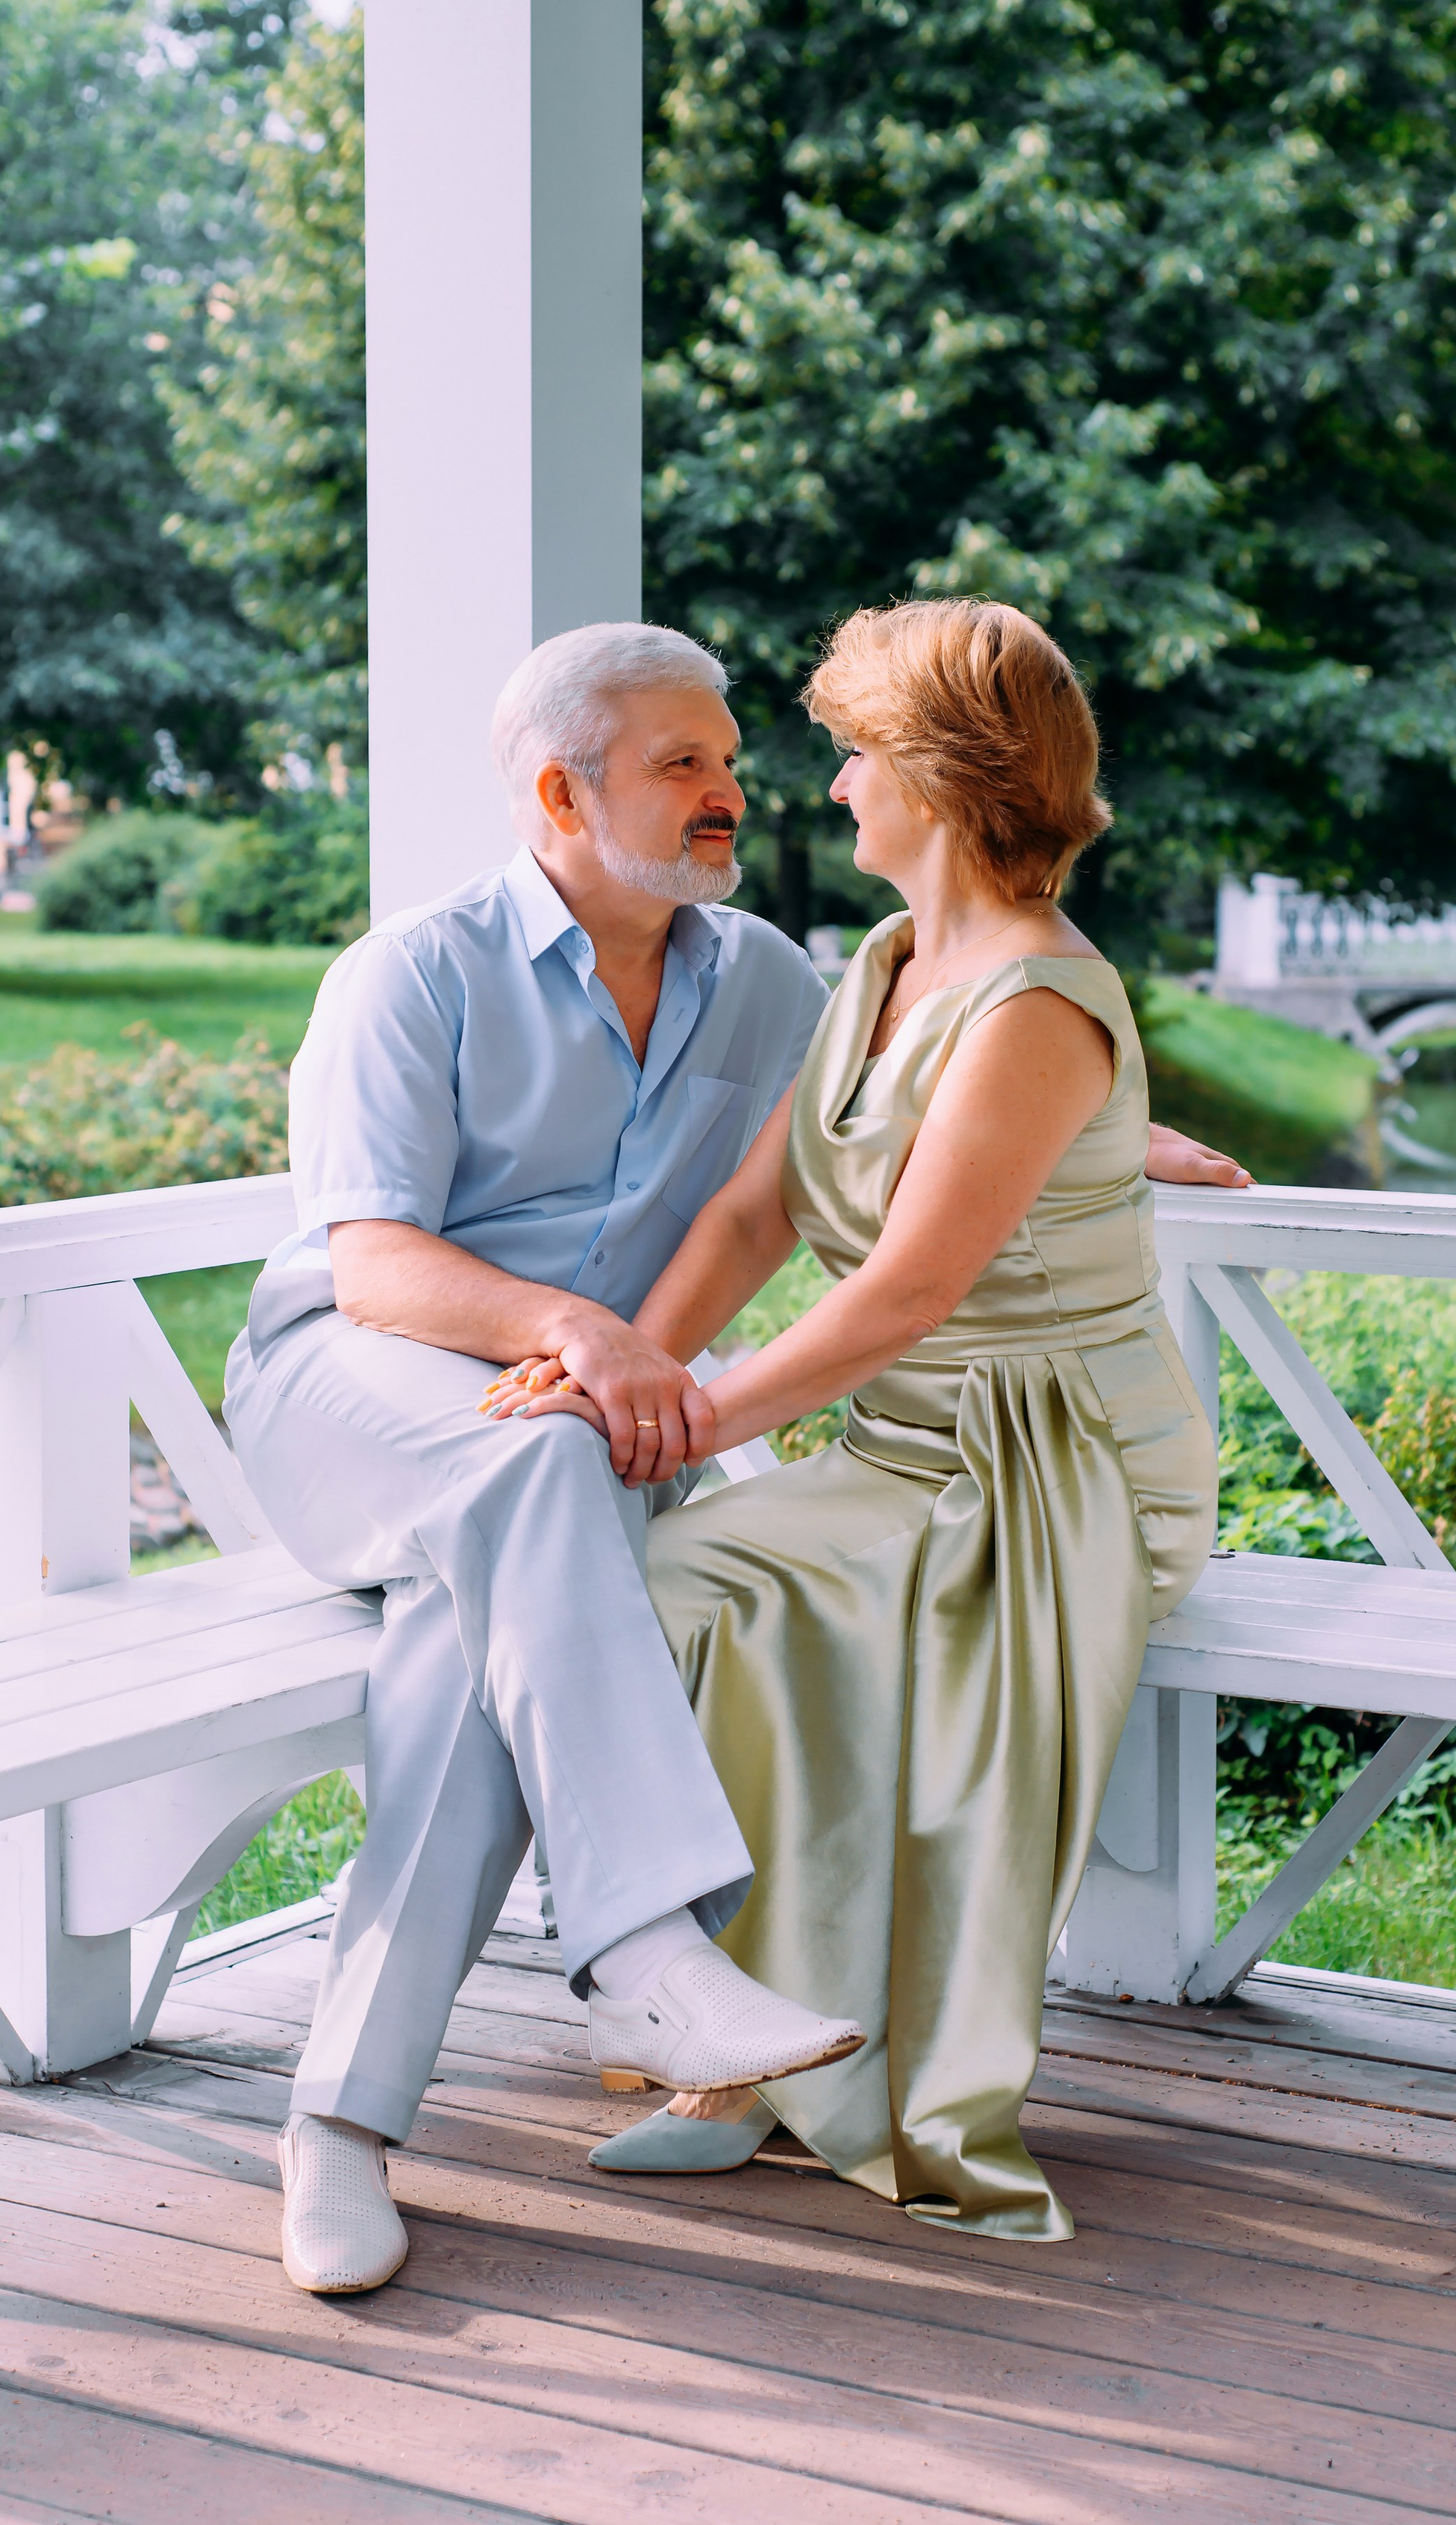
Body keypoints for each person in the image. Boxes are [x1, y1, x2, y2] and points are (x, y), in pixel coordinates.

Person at [498, 598, 1223, 2241]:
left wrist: (684, 1422)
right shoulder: (888, 966)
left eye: (851, 755)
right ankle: (737, 2030)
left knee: (702, 1584)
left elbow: (902, 1293)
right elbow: (754, 1215)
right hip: (897, 1452)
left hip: (1043, 1465)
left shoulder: (1034, 1000)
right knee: (656, 1592)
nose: (826, 787)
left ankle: (782, 2054)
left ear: (940, 774)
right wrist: (617, 1365)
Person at [225, 621, 867, 2297]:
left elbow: (902, 1125)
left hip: (564, 1445)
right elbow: (373, 1266)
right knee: (534, 1474)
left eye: (729, 761)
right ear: (559, 794)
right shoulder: (412, 974)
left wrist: (1105, 1121)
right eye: (682, 764)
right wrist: (579, 1333)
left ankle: (338, 2124)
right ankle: (648, 1950)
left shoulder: (767, 980)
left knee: (466, 1642)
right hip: (352, 1397)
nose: (729, 793)